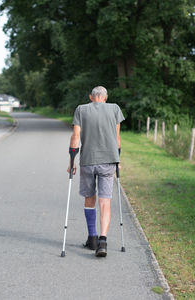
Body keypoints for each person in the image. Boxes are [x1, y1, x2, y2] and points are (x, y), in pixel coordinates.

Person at [67, 86, 125, 257]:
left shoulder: (81, 109)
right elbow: (117, 138)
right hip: (108, 161)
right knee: (105, 201)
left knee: (89, 199)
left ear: (91, 97)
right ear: (105, 97)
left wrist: (72, 161)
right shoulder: (114, 109)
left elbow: (75, 137)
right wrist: (118, 160)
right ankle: (102, 241)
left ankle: (92, 238)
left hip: (88, 161)